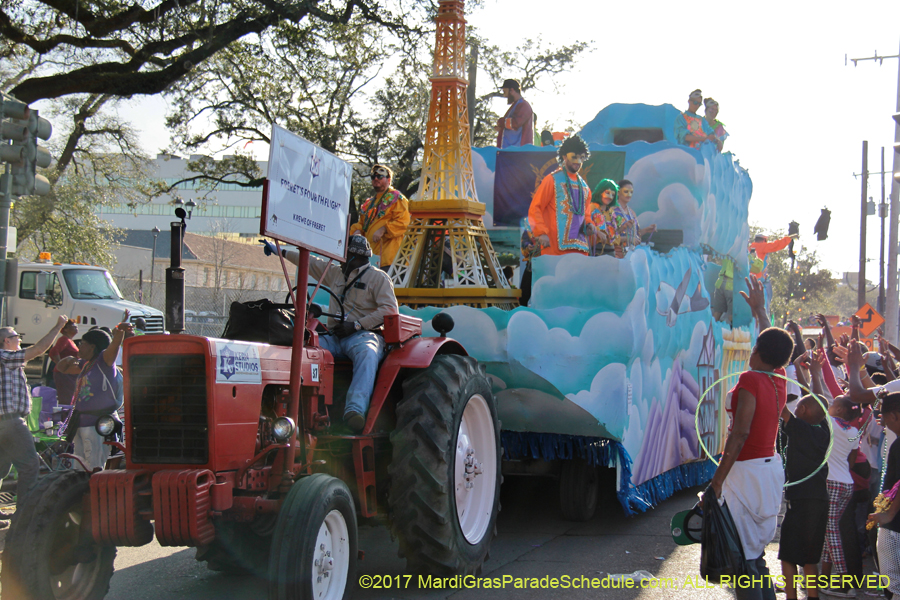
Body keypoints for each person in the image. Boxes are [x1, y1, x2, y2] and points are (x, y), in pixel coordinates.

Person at [709, 276, 793, 600]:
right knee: (754, 558)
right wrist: (761, 312)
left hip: (746, 472)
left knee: (740, 562)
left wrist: (717, 481)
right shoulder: (778, 375)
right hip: (771, 470)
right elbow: (775, 344)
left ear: (757, 351)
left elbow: (740, 432)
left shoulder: (750, 378)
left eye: (756, 345)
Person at [263, 235, 398, 433]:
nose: (338, 261)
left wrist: (357, 325)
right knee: (303, 351)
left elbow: (389, 310)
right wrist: (279, 251)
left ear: (353, 257)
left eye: (343, 256)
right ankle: (293, 408)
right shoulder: (335, 273)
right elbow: (309, 262)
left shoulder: (378, 278)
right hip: (335, 337)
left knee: (368, 353)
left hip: (363, 336)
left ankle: (355, 411)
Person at [0, 316, 70, 508]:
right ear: (6, 341)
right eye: (16, 336)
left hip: (5, 423)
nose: (19, 339)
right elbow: (39, 349)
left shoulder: (7, 360)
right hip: (11, 423)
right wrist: (58, 327)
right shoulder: (5, 356)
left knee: (1, 469)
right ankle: (24, 514)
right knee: (30, 465)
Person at [56, 323, 131, 472]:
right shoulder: (85, 364)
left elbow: (114, 345)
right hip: (81, 423)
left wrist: (120, 331)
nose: (79, 346)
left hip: (97, 425)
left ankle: (95, 494)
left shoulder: (104, 362)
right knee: (79, 469)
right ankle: (81, 493)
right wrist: (71, 358)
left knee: (94, 468)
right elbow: (61, 368)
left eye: (82, 343)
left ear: (92, 346)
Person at [779, 395, 830, 600]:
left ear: (804, 410)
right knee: (811, 554)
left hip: (801, 499)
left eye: (798, 406)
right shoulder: (825, 431)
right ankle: (812, 596)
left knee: (788, 554)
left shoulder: (801, 429)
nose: (795, 409)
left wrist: (771, 382)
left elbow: (782, 410)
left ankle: (791, 596)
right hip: (819, 498)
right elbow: (820, 406)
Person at [527, 134, 599, 256]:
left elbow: (586, 214)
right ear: (564, 157)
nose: (578, 162)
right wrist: (541, 233)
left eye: (581, 158)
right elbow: (535, 208)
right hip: (554, 249)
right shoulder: (551, 180)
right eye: (574, 157)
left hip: (580, 250)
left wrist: (590, 224)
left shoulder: (585, 187)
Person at [820, 397, 861, 597]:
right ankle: (824, 578)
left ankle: (845, 581)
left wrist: (816, 375)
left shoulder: (830, 422)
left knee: (831, 531)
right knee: (831, 532)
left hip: (831, 482)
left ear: (837, 408)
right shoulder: (854, 432)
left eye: (832, 403)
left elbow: (816, 397)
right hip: (847, 484)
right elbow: (851, 461)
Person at [866, 393, 900, 599]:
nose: (883, 423)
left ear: (895, 415)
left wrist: (889, 514)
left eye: (884, 418)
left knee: (894, 583)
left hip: (895, 527)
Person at [349, 164, 411, 270]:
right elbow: (362, 223)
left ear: (389, 179)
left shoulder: (397, 198)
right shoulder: (370, 203)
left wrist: (384, 229)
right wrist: (357, 230)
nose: (376, 179)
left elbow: (404, 222)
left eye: (380, 176)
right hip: (370, 258)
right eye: (373, 177)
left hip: (390, 259)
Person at [496, 79, 534, 149]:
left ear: (512, 90)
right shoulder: (517, 105)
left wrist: (502, 122)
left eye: (505, 91)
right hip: (511, 150)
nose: (504, 95)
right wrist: (502, 128)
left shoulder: (523, 105)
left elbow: (515, 123)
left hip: (518, 152)